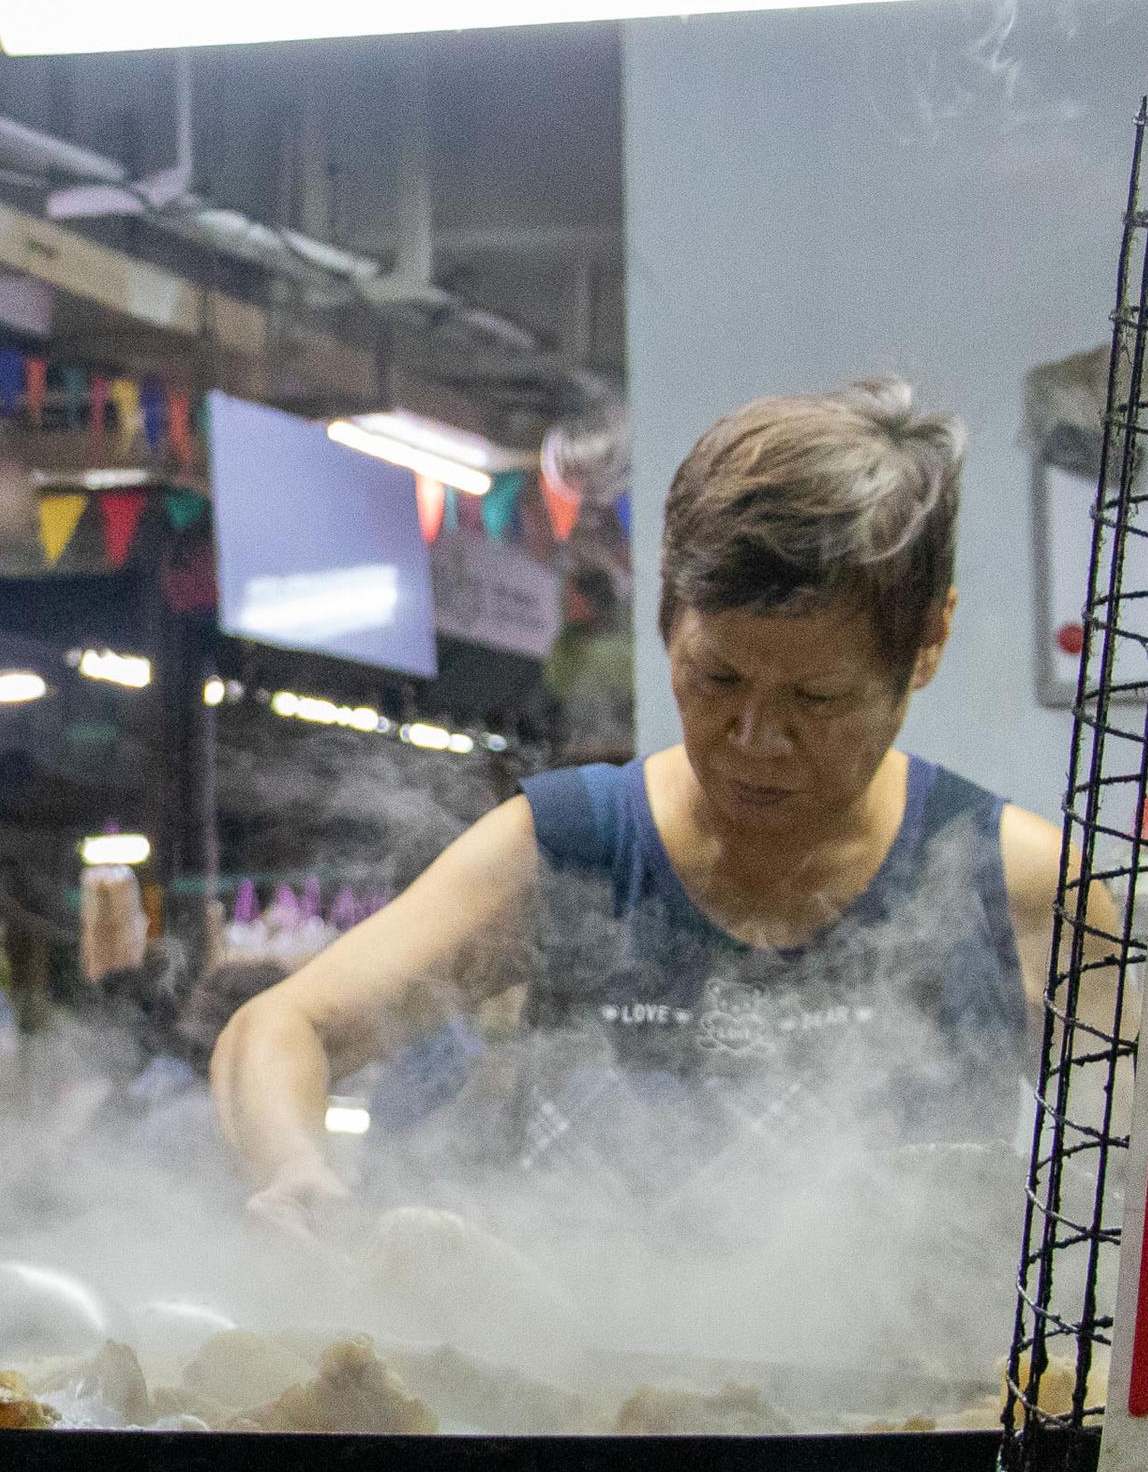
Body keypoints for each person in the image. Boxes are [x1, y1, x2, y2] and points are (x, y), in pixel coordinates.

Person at [213, 379, 1059, 1231]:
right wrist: (293, 1170)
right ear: (664, 619)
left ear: (928, 644)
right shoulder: (574, 849)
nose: (756, 737)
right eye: (717, 678)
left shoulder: (1010, 883)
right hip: (580, 1365)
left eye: (818, 697)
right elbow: (285, 1026)